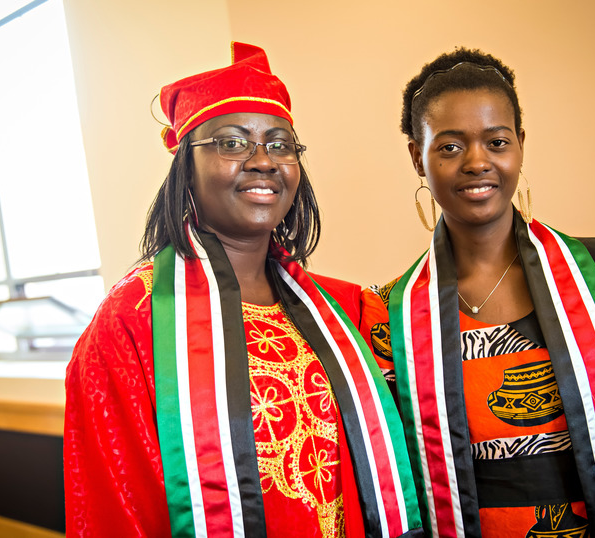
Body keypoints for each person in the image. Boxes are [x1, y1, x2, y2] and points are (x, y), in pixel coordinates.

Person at [64, 42, 423, 537]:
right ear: (185, 167)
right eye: (231, 143)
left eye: (280, 143)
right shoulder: (133, 323)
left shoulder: (344, 310)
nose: (262, 160)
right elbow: (114, 509)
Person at [360, 47, 595, 537]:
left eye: (497, 141)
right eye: (448, 147)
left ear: (520, 146)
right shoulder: (389, 314)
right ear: (416, 158)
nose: (476, 162)